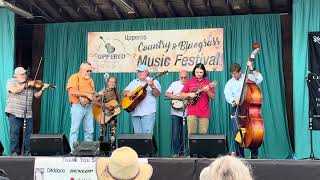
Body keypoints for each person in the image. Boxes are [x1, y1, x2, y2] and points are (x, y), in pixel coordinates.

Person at [5, 67, 49, 156]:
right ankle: (14, 152)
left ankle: (27, 152)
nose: (24, 75)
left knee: (29, 134)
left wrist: (43, 89)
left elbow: (36, 95)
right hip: (14, 112)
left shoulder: (29, 83)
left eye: (25, 74)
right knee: (14, 133)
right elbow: (14, 90)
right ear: (15, 75)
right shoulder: (11, 81)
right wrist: (28, 84)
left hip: (27, 113)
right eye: (21, 74)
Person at [224, 61, 263, 159]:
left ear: (240, 72)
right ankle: (240, 156)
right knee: (238, 132)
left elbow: (260, 78)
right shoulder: (229, 83)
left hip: (250, 109)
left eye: (236, 74)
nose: (235, 76)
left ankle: (254, 155)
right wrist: (234, 99)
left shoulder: (248, 77)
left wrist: (251, 67)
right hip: (237, 109)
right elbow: (227, 96)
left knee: (254, 130)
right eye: (232, 75)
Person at [66, 62, 96, 151]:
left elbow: (93, 93)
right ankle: (73, 150)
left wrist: (97, 95)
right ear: (82, 69)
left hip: (89, 106)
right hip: (77, 106)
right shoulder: (74, 77)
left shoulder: (90, 80)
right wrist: (86, 94)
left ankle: (88, 150)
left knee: (89, 130)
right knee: (75, 129)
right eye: (88, 70)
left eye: (90, 71)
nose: (89, 72)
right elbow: (72, 91)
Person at [123, 65, 161, 134]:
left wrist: (152, 86)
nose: (140, 73)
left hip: (148, 112)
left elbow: (157, 94)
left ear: (146, 72)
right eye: (138, 71)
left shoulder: (154, 81)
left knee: (147, 137)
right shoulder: (134, 82)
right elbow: (124, 92)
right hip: (135, 112)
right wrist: (128, 93)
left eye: (142, 71)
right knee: (138, 137)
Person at [180, 63, 215, 135]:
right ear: (194, 72)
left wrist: (207, 90)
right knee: (191, 136)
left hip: (204, 113)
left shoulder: (208, 82)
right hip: (192, 112)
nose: (199, 74)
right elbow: (182, 95)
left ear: (204, 72)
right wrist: (189, 94)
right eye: (197, 72)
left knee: (203, 136)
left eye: (201, 72)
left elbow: (213, 97)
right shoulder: (190, 82)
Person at [165, 70, 188, 157]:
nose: (183, 79)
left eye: (185, 77)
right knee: (175, 134)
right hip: (175, 112)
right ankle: (176, 153)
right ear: (179, 77)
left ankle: (183, 153)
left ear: (187, 76)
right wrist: (177, 97)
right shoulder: (175, 84)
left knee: (184, 135)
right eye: (181, 77)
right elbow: (166, 93)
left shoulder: (190, 84)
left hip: (186, 113)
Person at [97, 76, 121, 150]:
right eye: (110, 82)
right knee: (102, 132)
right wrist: (105, 105)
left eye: (113, 82)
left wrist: (114, 107)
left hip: (113, 114)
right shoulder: (103, 91)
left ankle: (112, 149)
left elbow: (121, 103)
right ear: (107, 82)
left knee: (112, 132)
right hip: (104, 114)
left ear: (115, 83)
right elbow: (97, 101)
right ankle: (101, 149)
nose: (112, 83)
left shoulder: (117, 91)